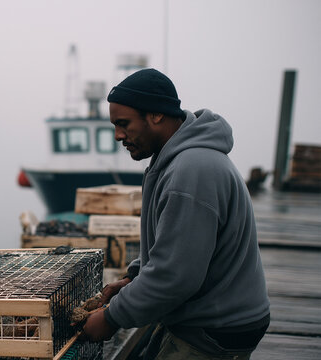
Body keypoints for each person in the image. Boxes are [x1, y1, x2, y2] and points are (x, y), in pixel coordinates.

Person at [82, 68, 270, 359]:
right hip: (213, 310)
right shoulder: (178, 159)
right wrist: (133, 278)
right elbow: (178, 248)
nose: (118, 135)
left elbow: (175, 276)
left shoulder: (191, 170)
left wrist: (110, 319)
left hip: (217, 325)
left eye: (124, 124)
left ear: (156, 115)